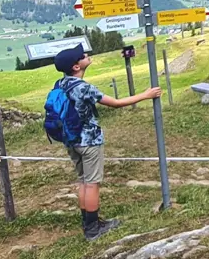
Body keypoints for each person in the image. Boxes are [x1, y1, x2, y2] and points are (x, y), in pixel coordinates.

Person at [52, 44, 163, 241]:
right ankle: (93, 229)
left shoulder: (60, 84)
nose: (86, 55)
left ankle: (88, 222)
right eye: (82, 56)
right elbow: (116, 103)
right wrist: (145, 95)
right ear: (76, 67)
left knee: (83, 181)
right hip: (89, 141)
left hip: (71, 140)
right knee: (92, 184)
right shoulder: (83, 88)